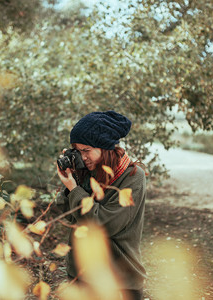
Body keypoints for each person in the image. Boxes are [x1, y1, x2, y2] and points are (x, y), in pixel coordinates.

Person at [56, 110, 147, 300]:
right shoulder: (87, 172)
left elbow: (104, 224)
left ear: (105, 148)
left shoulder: (132, 177)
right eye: (78, 151)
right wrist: (69, 180)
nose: (83, 157)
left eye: (86, 150)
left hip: (119, 279)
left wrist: (74, 189)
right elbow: (68, 214)